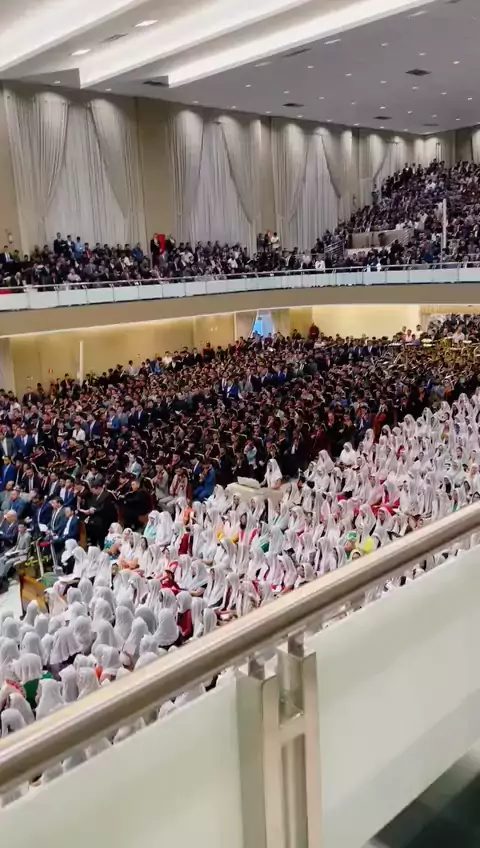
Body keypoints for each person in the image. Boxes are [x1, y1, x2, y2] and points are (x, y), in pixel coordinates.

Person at [0, 522, 31, 592]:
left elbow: (27, 550)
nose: (19, 529)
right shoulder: (19, 534)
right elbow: (16, 545)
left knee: (8, 562)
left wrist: (18, 552)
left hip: (22, 555)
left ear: (25, 528)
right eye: (19, 527)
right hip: (15, 552)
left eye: (21, 527)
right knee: (1, 559)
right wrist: (11, 551)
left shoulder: (27, 536)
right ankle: (1, 575)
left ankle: (3, 577)